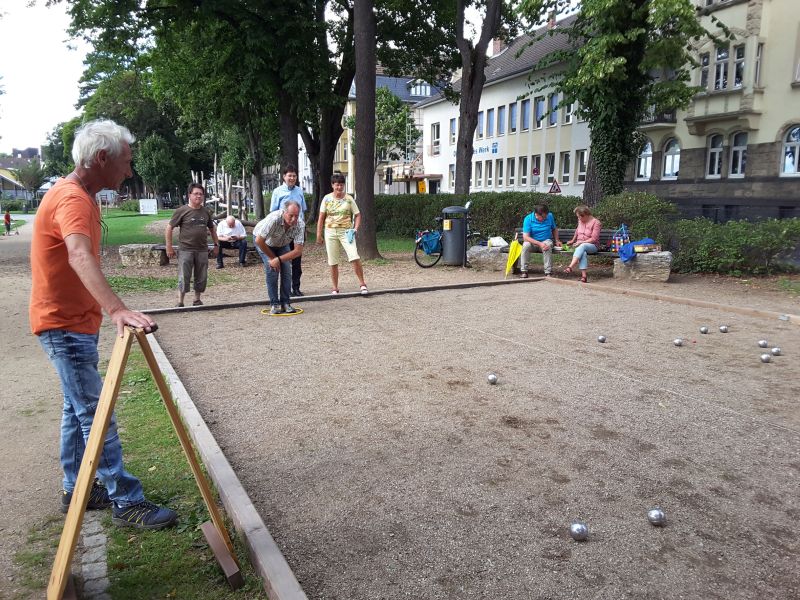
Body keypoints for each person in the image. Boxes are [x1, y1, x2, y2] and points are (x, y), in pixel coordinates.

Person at [29, 119, 177, 530]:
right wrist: (116, 310)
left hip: (69, 322)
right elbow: (78, 256)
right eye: (125, 162)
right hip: (64, 323)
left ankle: (76, 486)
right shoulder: (73, 199)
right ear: (101, 159)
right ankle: (125, 500)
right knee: (96, 413)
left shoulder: (78, 194)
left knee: (75, 408)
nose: (128, 171)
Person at [165, 184, 219, 307]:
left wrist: (216, 244)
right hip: (185, 249)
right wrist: (169, 247)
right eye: (196, 193)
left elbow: (212, 229)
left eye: (201, 194)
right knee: (184, 275)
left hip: (202, 249)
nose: (198, 196)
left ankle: (197, 299)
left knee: (201, 275)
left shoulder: (206, 211)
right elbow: (169, 228)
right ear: (189, 195)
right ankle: (180, 301)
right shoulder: (181, 211)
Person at [316, 173, 368, 295]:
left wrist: (355, 228)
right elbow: (321, 217)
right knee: (333, 261)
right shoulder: (327, 199)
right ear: (332, 185)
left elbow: (358, 214)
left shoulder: (349, 199)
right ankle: (335, 287)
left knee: (354, 256)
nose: (339, 187)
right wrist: (319, 234)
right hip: (330, 232)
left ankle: (362, 283)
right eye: (337, 185)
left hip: (346, 232)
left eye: (341, 185)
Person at [253, 200, 305, 314]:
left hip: (282, 244)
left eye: (296, 216)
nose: (293, 219)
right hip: (264, 242)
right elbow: (259, 241)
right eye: (291, 216)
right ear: (284, 212)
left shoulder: (300, 224)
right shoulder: (274, 219)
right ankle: (274, 304)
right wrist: (272, 259)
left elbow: (298, 250)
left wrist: (279, 259)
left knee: (287, 270)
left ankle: (286, 302)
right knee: (272, 270)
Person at [270, 165, 308, 297]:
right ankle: (284, 289)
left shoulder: (299, 191)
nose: (292, 178)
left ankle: (296, 287)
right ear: (284, 177)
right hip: (284, 231)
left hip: (297, 229)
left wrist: (304, 229)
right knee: (285, 259)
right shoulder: (277, 192)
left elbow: (302, 210)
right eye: (289, 175)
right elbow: (273, 211)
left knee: (297, 259)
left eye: (294, 176)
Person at [563, 205, 602, 283]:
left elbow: (594, 239)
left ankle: (570, 266)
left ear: (585, 215)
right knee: (582, 252)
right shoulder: (580, 220)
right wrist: (572, 240)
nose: (578, 219)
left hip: (592, 245)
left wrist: (581, 242)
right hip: (580, 246)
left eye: (579, 217)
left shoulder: (596, 223)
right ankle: (584, 276)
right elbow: (577, 231)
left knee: (582, 246)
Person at [519, 203, 559, 278]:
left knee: (548, 245)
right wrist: (539, 243)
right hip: (532, 242)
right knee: (525, 245)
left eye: (546, 215)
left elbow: (554, 229)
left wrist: (557, 240)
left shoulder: (549, 216)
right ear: (537, 215)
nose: (546, 217)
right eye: (544, 217)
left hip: (545, 240)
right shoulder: (528, 219)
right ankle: (524, 271)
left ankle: (548, 272)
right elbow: (526, 237)